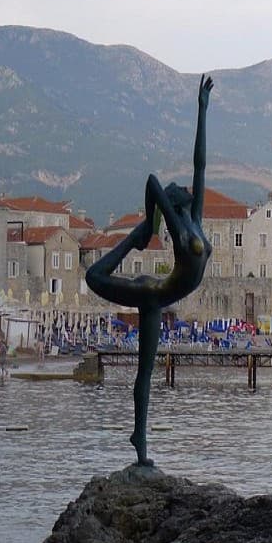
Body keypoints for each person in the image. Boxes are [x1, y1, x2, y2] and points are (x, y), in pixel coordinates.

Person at [86, 75, 214, 467]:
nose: (190, 190)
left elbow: (200, 163)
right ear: (174, 203)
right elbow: (153, 182)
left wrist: (202, 110)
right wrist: (152, 226)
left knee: (146, 371)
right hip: (152, 293)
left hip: (158, 295)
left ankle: (139, 437)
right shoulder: (179, 227)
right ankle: (131, 241)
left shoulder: (194, 218)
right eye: (183, 191)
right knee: (94, 278)